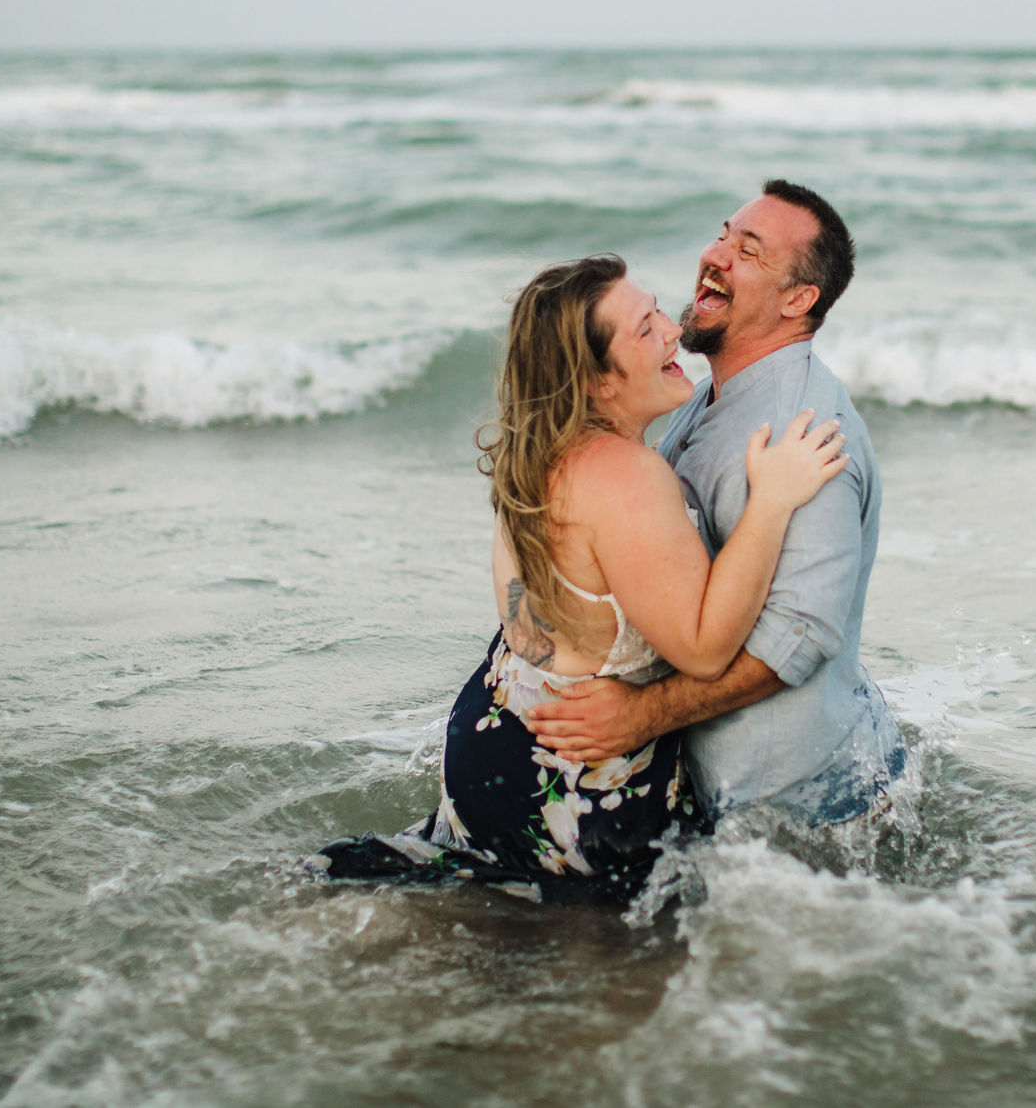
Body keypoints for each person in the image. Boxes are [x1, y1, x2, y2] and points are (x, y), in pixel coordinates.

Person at [307, 253, 847, 903]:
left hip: (501, 729)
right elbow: (705, 649)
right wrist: (772, 502)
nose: (673, 331)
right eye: (646, 329)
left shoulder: (537, 453)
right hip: (567, 777)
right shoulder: (625, 477)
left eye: (656, 312)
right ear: (598, 382)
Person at [527, 180, 905, 824]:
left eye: (749, 251)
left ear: (798, 299)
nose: (717, 253)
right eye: (724, 232)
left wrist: (643, 715)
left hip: (787, 805)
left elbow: (801, 633)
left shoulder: (803, 434)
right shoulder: (702, 394)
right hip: (711, 793)